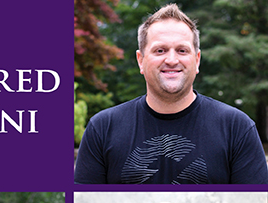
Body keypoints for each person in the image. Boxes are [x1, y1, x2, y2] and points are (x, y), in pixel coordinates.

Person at [74, 3, 268, 184]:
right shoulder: (102, 129)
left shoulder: (236, 128)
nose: (172, 60)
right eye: (160, 50)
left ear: (197, 60)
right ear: (140, 60)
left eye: (182, 50)